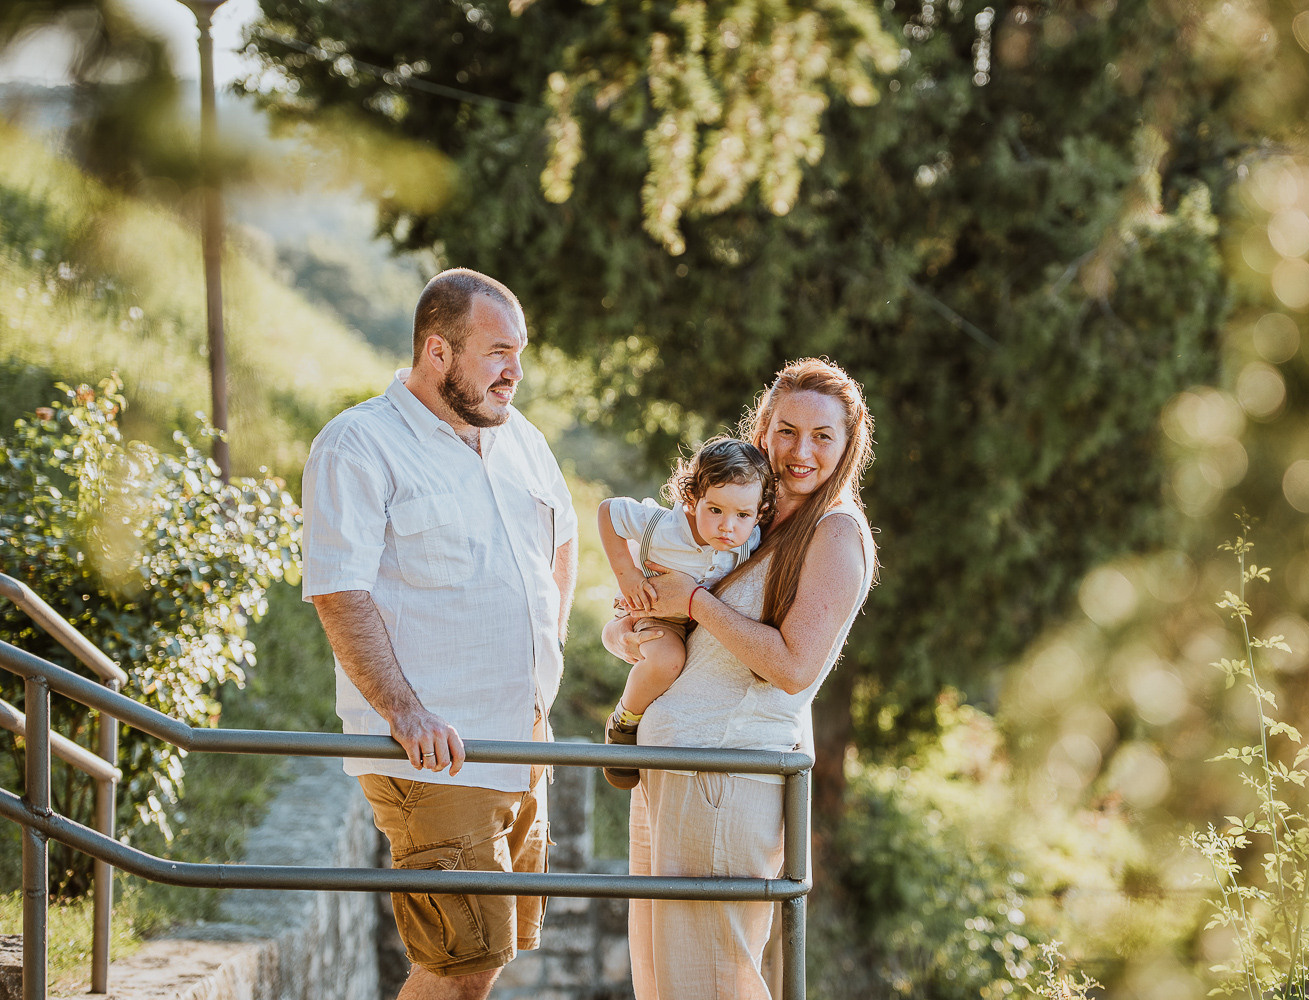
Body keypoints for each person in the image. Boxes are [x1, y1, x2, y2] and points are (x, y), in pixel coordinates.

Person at [301, 268, 578, 1000]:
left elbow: (563, 543)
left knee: (480, 962)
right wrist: (405, 711)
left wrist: (546, 659)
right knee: (461, 969)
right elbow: (338, 589)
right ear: (437, 351)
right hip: (433, 757)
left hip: (519, 744)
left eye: (518, 353)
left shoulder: (522, 441)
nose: (513, 371)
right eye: (496, 352)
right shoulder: (359, 443)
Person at [602, 357, 878, 1000]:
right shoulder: (746, 521)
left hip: (725, 779)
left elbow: (791, 666)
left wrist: (696, 604)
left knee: (712, 983)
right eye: (785, 430)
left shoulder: (835, 533)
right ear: (762, 428)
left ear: (848, 444)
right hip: (678, 771)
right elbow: (694, 643)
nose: (800, 451)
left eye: (821, 436)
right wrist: (635, 621)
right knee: (668, 982)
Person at [596, 436, 775, 789]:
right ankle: (624, 721)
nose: (728, 526)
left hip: (705, 622)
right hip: (658, 610)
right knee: (667, 661)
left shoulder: (749, 540)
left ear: (760, 514)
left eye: (742, 515)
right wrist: (628, 575)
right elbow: (607, 512)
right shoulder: (659, 526)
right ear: (693, 499)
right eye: (716, 510)